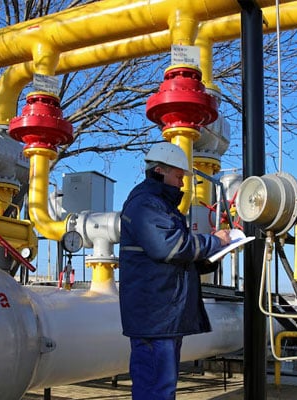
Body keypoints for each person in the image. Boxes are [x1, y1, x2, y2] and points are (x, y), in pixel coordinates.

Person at [118, 142, 231, 400]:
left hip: (162, 315)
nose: (182, 184)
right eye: (178, 176)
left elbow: (178, 255)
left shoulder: (161, 205)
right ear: (159, 170)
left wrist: (213, 255)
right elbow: (170, 247)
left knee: (160, 387)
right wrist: (216, 242)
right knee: (156, 388)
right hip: (156, 316)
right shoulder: (146, 204)